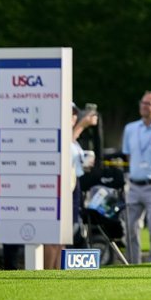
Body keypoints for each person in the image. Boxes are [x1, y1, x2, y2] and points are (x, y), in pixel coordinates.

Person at [45, 105, 96, 269]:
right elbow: (64, 148)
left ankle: (58, 273)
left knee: (64, 237)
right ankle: (47, 274)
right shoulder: (55, 134)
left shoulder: (71, 137)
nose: (74, 118)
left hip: (72, 187)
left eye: (75, 115)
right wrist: (81, 125)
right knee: (53, 237)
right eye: (71, 114)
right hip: (58, 189)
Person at [121, 91, 151, 265]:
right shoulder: (130, 128)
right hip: (134, 185)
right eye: (142, 102)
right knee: (130, 228)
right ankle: (133, 264)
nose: (144, 106)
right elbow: (128, 155)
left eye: (148, 103)